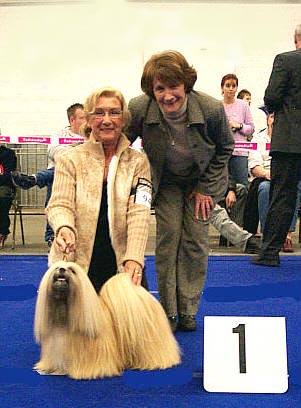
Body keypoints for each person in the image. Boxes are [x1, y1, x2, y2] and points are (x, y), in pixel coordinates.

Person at [125, 50, 234, 332]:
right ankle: (168, 312)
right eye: (160, 89)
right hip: (165, 181)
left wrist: (206, 189)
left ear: (186, 84)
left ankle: (188, 310)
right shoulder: (139, 108)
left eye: (174, 87)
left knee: (195, 242)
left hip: (201, 181)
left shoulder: (210, 109)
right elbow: (120, 143)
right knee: (169, 236)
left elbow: (225, 148)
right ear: (152, 89)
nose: (168, 95)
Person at [46, 87, 152, 292]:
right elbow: (60, 204)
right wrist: (64, 227)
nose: (106, 120)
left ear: (124, 119)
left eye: (114, 112)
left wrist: (134, 258)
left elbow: (140, 212)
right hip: (77, 262)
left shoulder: (138, 162)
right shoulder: (69, 159)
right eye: (98, 113)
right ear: (88, 119)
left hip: (121, 261)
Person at [252, 24, 301, 267]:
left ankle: (270, 252)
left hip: (290, 139)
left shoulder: (285, 60)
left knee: (282, 195)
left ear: (295, 39)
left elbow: (271, 97)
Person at [12, 103, 86, 246]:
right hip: (62, 175)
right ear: (72, 120)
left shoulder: (92, 134)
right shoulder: (59, 135)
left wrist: (71, 153)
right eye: (83, 118)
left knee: (57, 173)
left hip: (83, 176)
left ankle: (33, 179)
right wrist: (77, 151)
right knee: (58, 176)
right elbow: (54, 152)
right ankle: (53, 235)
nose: (87, 121)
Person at [245, 113, 301, 253]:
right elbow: (254, 166)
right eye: (272, 117)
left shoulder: (292, 139)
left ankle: (287, 235)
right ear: (267, 120)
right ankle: (268, 235)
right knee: (264, 189)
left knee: (296, 186)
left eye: (279, 117)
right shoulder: (258, 138)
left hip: (287, 176)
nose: (275, 120)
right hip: (266, 176)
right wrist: (267, 174)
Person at [221, 74, 255, 186]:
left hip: (240, 152)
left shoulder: (243, 106)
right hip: (222, 153)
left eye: (234, 86)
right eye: (228, 85)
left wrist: (239, 126)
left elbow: (251, 128)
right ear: (222, 88)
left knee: (242, 186)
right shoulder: (217, 106)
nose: (231, 89)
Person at [0, 143, 17, 247]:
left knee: (2, 196)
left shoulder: (8, 154)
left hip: (5, 185)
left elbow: (8, 175)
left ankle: (2, 231)